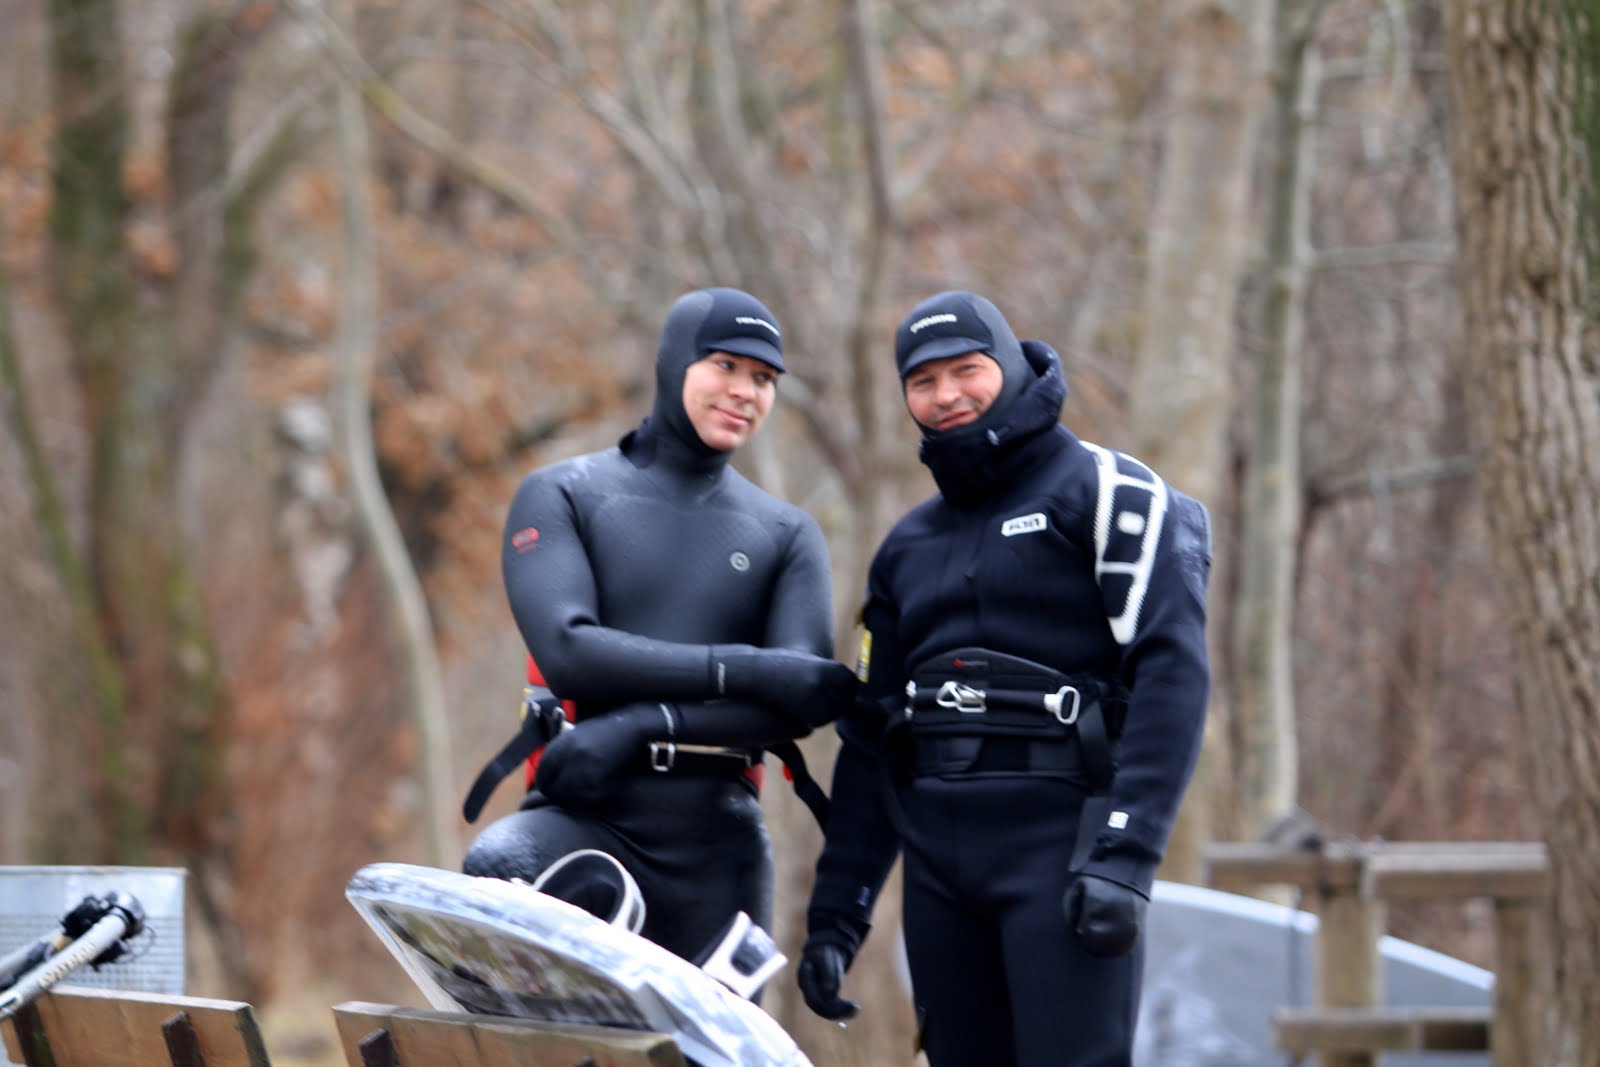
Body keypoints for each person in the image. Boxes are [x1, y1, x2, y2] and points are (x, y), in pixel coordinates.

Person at [797, 291, 1212, 1065]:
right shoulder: (906, 547)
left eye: (967, 370)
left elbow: (1174, 671)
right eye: (923, 381)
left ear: (1013, 368)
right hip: (939, 870)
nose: (946, 394)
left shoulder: (1112, 495)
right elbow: (872, 736)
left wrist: (1127, 854)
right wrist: (837, 914)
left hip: (1065, 851)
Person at [462, 286, 857, 968]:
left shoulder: (786, 533)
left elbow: (804, 696)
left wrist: (645, 723)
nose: (745, 391)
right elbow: (570, 651)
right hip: (584, 819)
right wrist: (746, 668)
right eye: (725, 366)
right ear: (675, 363)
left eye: (764, 378)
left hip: (721, 849)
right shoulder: (566, 493)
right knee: (496, 865)